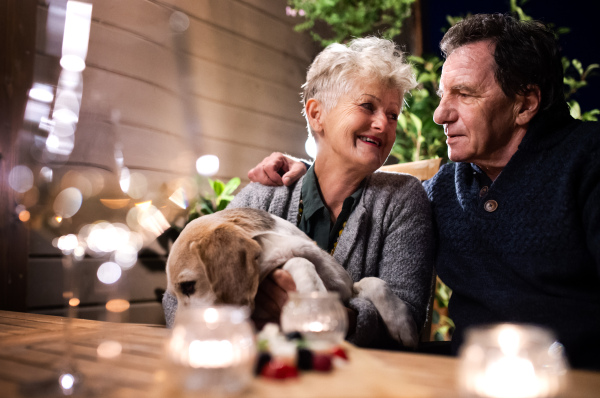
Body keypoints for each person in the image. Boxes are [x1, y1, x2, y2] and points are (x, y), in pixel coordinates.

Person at [249, 14, 600, 369]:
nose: (439, 114)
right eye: (442, 95)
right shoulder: (447, 187)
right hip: (471, 378)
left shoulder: (588, 160)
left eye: (463, 94)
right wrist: (308, 170)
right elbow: (372, 188)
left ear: (525, 104)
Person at [163, 37, 435, 349]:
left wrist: (324, 316)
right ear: (317, 114)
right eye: (367, 106)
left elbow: (407, 321)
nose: (382, 124)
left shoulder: (402, 199)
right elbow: (176, 298)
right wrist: (237, 314)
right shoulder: (263, 196)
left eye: (392, 114)